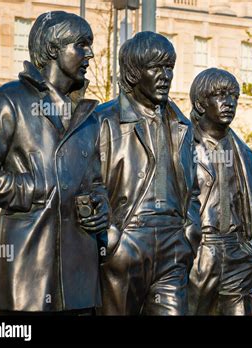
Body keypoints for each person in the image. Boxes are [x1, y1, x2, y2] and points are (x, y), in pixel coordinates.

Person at [0, 11, 109, 314]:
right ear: (53, 49)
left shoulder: (89, 115)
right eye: (81, 45)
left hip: (80, 281)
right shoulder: (7, 101)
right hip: (27, 274)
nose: (90, 53)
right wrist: (35, 188)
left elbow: (96, 182)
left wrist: (101, 205)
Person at [96, 31, 201, 315]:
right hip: (126, 240)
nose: (165, 76)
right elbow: (89, 184)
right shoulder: (103, 121)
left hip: (173, 245)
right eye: (155, 68)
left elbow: (193, 188)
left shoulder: (182, 125)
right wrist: (109, 234)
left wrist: (191, 229)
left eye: (169, 68)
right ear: (133, 73)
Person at [187, 68, 252, 315]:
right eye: (220, 95)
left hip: (238, 250)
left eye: (234, 96)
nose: (229, 103)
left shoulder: (245, 153)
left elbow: (250, 208)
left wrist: (251, 248)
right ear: (200, 102)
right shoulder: (182, 145)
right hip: (200, 250)